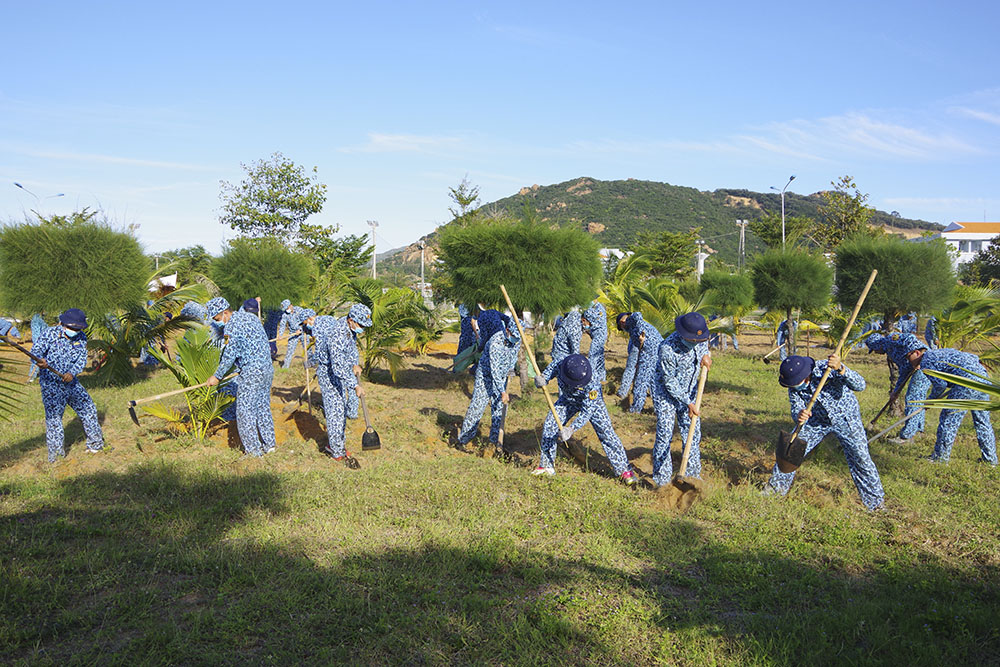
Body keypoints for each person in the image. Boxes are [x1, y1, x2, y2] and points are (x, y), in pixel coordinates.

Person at [765, 354, 885, 511]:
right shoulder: (793, 384)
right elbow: (795, 408)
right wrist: (800, 415)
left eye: (797, 383)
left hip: (846, 418)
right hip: (816, 422)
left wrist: (841, 369)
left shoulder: (826, 368)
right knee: (790, 450)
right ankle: (774, 492)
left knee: (861, 457)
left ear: (806, 376)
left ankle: (875, 503)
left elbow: (860, 385)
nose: (794, 387)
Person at [534, 354, 636, 485]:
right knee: (550, 424)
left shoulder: (593, 382)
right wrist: (542, 380)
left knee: (607, 434)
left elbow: (587, 411)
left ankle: (624, 470)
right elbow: (546, 375)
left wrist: (571, 429)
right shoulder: (561, 363)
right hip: (567, 401)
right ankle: (547, 466)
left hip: (593, 405)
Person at [206, 297, 276, 457]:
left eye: (217, 319)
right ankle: (270, 445)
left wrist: (216, 376)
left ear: (224, 313)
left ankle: (253, 452)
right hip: (267, 368)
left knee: (245, 410)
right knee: (262, 406)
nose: (217, 322)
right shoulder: (251, 317)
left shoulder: (231, 326)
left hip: (251, 371)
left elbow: (229, 354)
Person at [32, 309, 105, 461]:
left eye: (78, 329)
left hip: (71, 383)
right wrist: (40, 361)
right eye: (72, 328)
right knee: (54, 420)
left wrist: (72, 373)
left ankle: (96, 445)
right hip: (51, 385)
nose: (75, 331)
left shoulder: (81, 337)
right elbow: (35, 352)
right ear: (63, 324)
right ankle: (57, 458)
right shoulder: (49, 334)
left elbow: (81, 360)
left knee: (89, 408)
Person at [905, 346, 997, 465]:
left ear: (917, 353)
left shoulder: (926, 362)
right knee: (983, 421)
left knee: (949, 419)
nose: (908, 361)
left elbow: (940, 385)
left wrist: (931, 401)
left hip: (966, 382)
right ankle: (990, 460)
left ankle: (940, 458)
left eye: (908, 357)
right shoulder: (940, 353)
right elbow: (973, 357)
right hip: (983, 379)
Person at [651, 313, 712, 487]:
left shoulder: (700, 339)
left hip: (691, 391)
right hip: (666, 393)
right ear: (682, 334)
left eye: (697, 340)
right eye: (691, 340)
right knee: (665, 432)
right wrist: (688, 403)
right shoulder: (667, 348)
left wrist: (706, 357)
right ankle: (662, 480)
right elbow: (670, 382)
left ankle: (692, 475)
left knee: (692, 432)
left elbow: (704, 349)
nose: (694, 343)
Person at [307, 304, 373, 465]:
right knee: (335, 412)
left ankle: (337, 445)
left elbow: (349, 352)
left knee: (341, 409)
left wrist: (354, 364)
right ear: (351, 320)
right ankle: (336, 451)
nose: (362, 329)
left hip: (340, 371)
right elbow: (337, 367)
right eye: (361, 325)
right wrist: (354, 385)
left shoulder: (349, 329)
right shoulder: (337, 334)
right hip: (329, 374)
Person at [456, 317, 520, 453]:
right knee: (477, 407)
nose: (516, 339)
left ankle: (495, 444)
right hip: (486, 376)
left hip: (502, 377)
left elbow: (513, 357)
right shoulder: (496, 342)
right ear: (507, 331)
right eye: (514, 336)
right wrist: (503, 391)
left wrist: (511, 370)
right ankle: (463, 440)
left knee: (499, 410)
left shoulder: (517, 340)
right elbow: (494, 369)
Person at [865, 332, 930, 442]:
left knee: (913, 398)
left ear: (877, 345)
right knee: (918, 399)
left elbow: (910, 338)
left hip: (923, 364)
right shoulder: (890, 352)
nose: (876, 352)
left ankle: (907, 436)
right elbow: (903, 371)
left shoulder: (891, 339)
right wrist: (896, 392)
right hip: (915, 367)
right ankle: (917, 430)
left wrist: (916, 356)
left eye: (874, 349)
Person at [615, 312, 662, 413]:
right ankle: (659, 409)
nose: (624, 329)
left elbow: (638, 315)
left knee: (641, 382)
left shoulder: (631, 322)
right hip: (656, 350)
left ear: (622, 322)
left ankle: (635, 409)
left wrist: (641, 330)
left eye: (621, 327)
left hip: (650, 352)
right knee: (654, 381)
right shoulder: (632, 328)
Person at [537, 310, 582, 386]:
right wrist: (577, 364)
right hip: (565, 359)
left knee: (561, 379)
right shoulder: (574, 327)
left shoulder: (566, 323)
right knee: (565, 384)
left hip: (558, 354)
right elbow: (575, 349)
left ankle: (545, 378)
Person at [582, 301, 608, 384]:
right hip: (599, 336)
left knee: (592, 357)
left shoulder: (598, 309)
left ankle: (589, 379)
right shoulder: (598, 308)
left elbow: (589, 318)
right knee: (599, 358)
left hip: (599, 336)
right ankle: (601, 379)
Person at [278, 299, 307, 368]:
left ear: (291, 305)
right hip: (293, 332)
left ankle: (310, 366)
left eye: (287, 308)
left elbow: (306, 321)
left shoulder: (299, 310)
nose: (286, 310)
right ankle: (285, 367)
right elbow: (282, 325)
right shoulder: (285, 315)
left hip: (304, 332)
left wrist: (300, 329)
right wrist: (280, 335)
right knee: (289, 350)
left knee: (307, 349)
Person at [27, 312, 47, 382]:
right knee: (37, 359)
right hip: (41, 343)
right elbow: (37, 336)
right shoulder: (37, 318)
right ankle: (31, 377)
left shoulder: (45, 318)